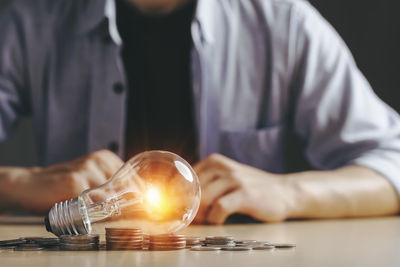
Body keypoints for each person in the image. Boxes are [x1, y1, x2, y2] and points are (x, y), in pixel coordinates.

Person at [0, 0, 399, 225]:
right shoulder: (30, 23)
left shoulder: (283, 23)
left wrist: (289, 191)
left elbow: (393, 161)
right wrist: (19, 182)